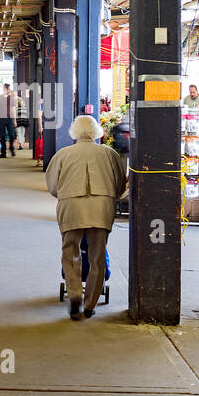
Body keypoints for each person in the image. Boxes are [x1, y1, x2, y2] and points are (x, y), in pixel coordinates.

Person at [45, 115, 127, 319]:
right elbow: (120, 185)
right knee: (97, 256)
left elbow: (53, 187)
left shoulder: (63, 154)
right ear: (97, 131)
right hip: (101, 207)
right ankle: (90, 304)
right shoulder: (109, 154)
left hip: (71, 206)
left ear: (74, 131)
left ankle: (74, 294)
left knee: (70, 252)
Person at [0, 83, 18, 158]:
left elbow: (13, 109)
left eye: (8, 89)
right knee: (2, 136)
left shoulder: (12, 98)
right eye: (6, 88)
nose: (8, 90)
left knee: (12, 135)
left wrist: (15, 120)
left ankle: (11, 148)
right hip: (1, 118)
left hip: (9, 118)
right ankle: (3, 153)